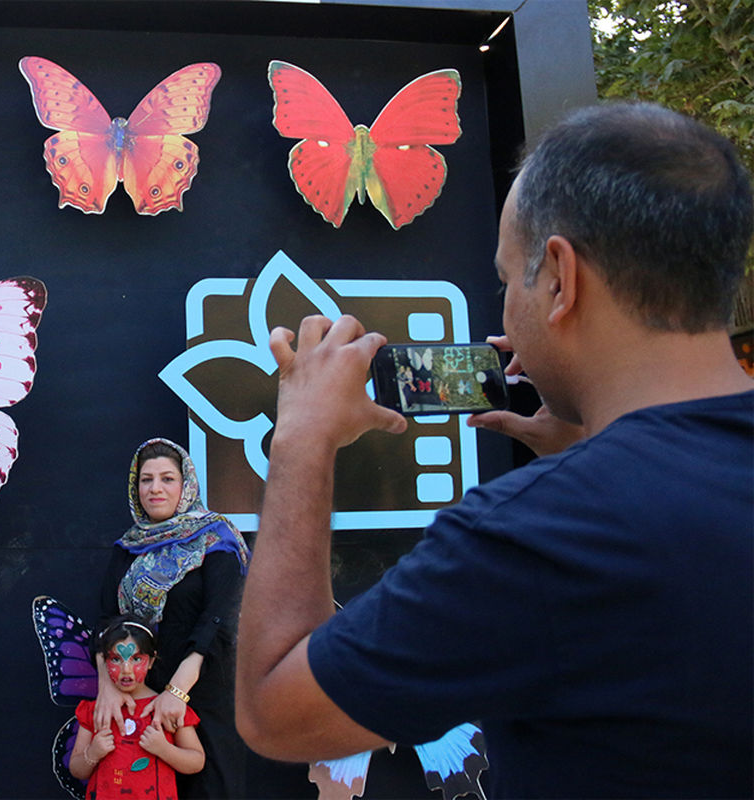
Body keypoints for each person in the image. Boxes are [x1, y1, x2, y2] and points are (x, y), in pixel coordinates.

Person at [234, 101, 754, 799]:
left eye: (510, 280)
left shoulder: (543, 534)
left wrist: (300, 434)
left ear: (562, 279)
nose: (507, 309)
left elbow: (275, 709)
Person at [95, 438, 249, 798]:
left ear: (186, 484)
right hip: (138, 698)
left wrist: (177, 691)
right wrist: (107, 688)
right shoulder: (127, 548)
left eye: (167, 478)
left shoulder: (216, 538)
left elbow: (220, 617)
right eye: (146, 480)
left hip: (205, 691)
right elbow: (106, 621)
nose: (155, 488)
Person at [71, 617, 205, 799]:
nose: (126, 669)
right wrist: (93, 752)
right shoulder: (97, 710)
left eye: (136, 659)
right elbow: (77, 769)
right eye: (116, 659)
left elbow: (196, 761)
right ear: (105, 662)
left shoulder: (166, 708)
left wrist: (164, 749)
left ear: (151, 661)